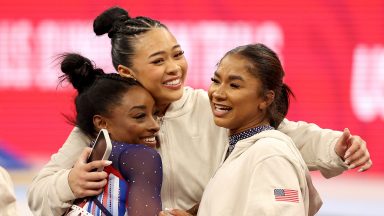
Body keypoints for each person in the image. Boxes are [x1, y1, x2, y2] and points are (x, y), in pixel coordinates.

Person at [28, 6, 372, 215]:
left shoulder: (211, 107)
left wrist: (336, 148)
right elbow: (38, 198)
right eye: (158, 61)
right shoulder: (100, 123)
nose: (175, 67)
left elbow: (283, 135)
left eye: (177, 54)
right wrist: (70, 182)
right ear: (127, 74)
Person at [195, 43, 322, 215]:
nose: (218, 92)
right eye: (216, 81)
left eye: (234, 85)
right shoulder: (240, 148)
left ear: (266, 99)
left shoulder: (271, 156)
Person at [56, 53, 162, 215]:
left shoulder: (94, 154)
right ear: (102, 123)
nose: (155, 125)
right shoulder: (141, 157)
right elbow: (37, 193)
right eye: (140, 116)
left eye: (155, 114)